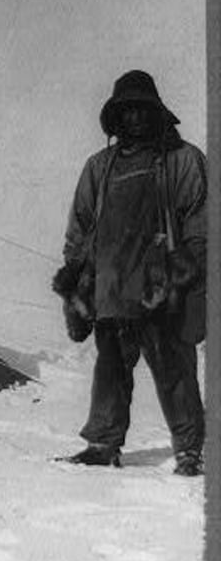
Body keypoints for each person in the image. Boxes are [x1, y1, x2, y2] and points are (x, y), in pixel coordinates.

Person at [54, 70, 207, 476]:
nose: (135, 117)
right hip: (112, 290)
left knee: (175, 371)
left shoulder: (182, 159)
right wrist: (77, 279)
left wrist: (185, 268)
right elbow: (80, 227)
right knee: (110, 372)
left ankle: (190, 450)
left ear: (156, 111)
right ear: (116, 117)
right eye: (127, 110)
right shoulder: (99, 168)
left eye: (142, 108)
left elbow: (201, 221)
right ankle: (103, 444)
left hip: (161, 289)